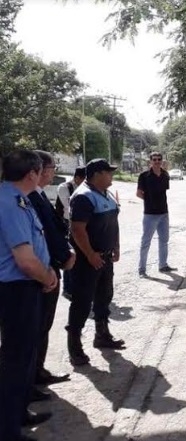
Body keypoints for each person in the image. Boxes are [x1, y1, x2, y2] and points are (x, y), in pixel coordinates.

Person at [0, 150, 57, 441]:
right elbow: (24, 260)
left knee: (24, 357)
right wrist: (47, 277)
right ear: (32, 173)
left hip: (25, 286)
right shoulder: (9, 203)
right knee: (16, 360)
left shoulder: (18, 198)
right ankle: (9, 431)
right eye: (40, 170)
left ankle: (19, 413)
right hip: (17, 289)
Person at [66, 158, 124, 366]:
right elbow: (77, 229)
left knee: (104, 296)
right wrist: (90, 254)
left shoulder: (106, 193)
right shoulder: (83, 196)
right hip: (87, 260)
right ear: (97, 174)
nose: (111, 175)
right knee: (82, 301)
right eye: (108, 172)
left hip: (105, 257)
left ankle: (102, 335)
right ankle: (74, 347)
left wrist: (116, 246)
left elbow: (113, 222)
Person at [27, 151, 75, 392]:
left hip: (49, 267)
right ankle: (28, 382)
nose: (54, 171)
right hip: (39, 271)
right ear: (41, 170)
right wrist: (65, 257)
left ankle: (38, 371)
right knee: (33, 329)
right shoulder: (27, 198)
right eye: (52, 167)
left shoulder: (39, 194)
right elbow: (46, 233)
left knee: (43, 325)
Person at [137, 152, 174, 277]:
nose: (157, 161)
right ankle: (142, 269)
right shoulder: (144, 176)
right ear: (150, 161)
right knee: (146, 242)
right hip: (150, 214)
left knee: (164, 241)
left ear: (161, 161)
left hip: (164, 213)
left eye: (159, 159)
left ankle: (163, 265)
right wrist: (149, 201)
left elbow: (163, 192)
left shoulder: (165, 175)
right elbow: (139, 193)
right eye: (154, 159)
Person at [56, 167, 85, 300]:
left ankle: (78, 286)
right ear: (77, 178)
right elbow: (69, 208)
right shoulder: (64, 187)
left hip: (79, 224)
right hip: (65, 225)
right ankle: (67, 288)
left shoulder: (85, 188)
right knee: (69, 255)